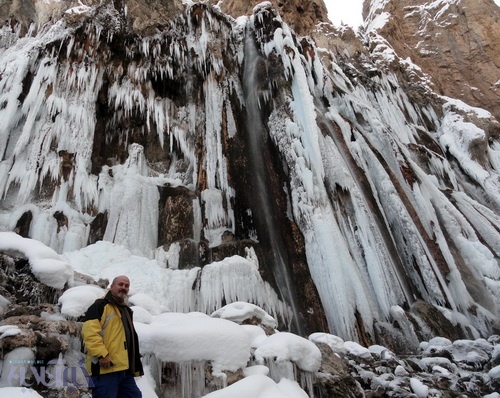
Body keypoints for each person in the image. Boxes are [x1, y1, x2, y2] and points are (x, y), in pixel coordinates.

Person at [82, 275, 144, 397]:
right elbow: (89, 333)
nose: (124, 288)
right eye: (120, 284)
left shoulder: (125, 310)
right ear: (111, 287)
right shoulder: (100, 306)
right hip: (105, 369)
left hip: (124, 370)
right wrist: (102, 355)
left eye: (126, 286)